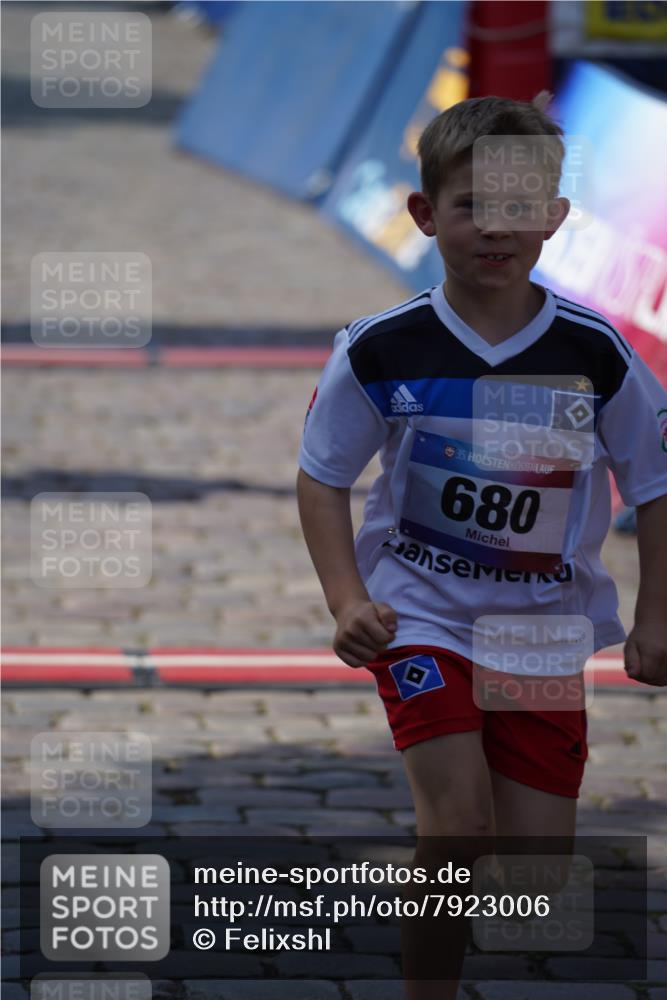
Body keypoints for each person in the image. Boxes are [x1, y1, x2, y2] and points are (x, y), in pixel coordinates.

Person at [297, 94, 667, 998]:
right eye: (470, 206)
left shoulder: (599, 355)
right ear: (425, 215)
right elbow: (321, 476)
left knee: (534, 872)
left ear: (553, 219)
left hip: (538, 635)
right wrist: (350, 600)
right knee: (454, 825)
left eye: (516, 209)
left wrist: (656, 618)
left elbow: (654, 487)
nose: (493, 230)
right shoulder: (381, 348)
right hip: (420, 617)